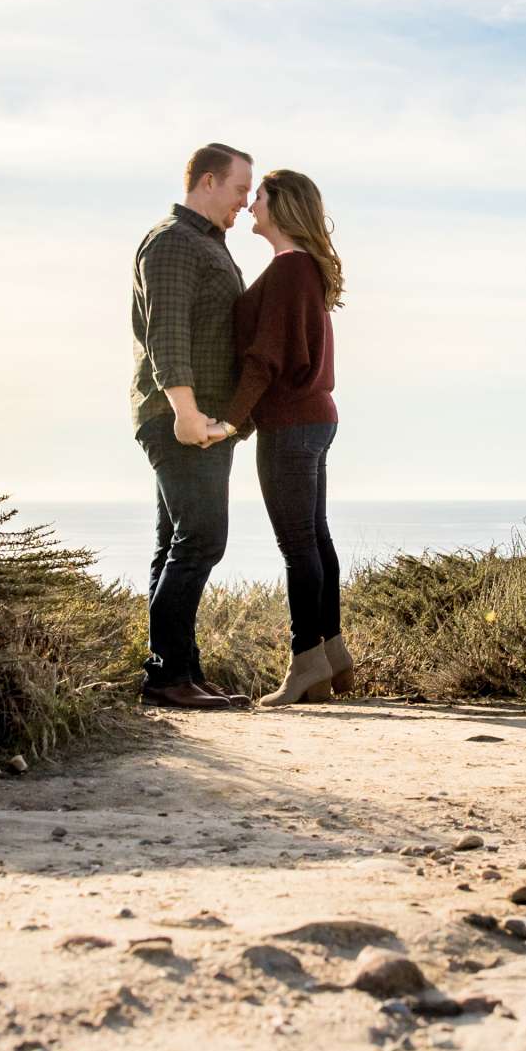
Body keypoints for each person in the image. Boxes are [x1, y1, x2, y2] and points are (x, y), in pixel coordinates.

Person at [218, 168, 349, 707]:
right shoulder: (302, 269)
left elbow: (264, 360)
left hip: (293, 424)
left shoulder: (291, 269)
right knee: (315, 539)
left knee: (299, 547)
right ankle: (333, 657)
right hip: (314, 417)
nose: (251, 204)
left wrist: (229, 423)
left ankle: (304, 667)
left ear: (283, 206)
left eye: (261, 197)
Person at [129, 142, 253, 709]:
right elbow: (167, 332)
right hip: (183, 417)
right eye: (239, 189)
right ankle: (166, 678)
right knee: (202, 538)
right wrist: (185, 411)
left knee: (175, 544)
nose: (245, 203)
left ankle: (178, 673)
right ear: (207, 182)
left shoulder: (207, 245)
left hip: (198, 417)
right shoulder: (174, 242)